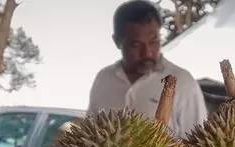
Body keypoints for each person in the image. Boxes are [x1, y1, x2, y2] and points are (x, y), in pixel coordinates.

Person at [88, 0, 207, 138]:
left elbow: (199, 143)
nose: (147, 53)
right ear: (117, 41)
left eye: (154, 41)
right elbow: (90, 132)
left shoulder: (183, 82)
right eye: (136, 45)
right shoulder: (104, 79)